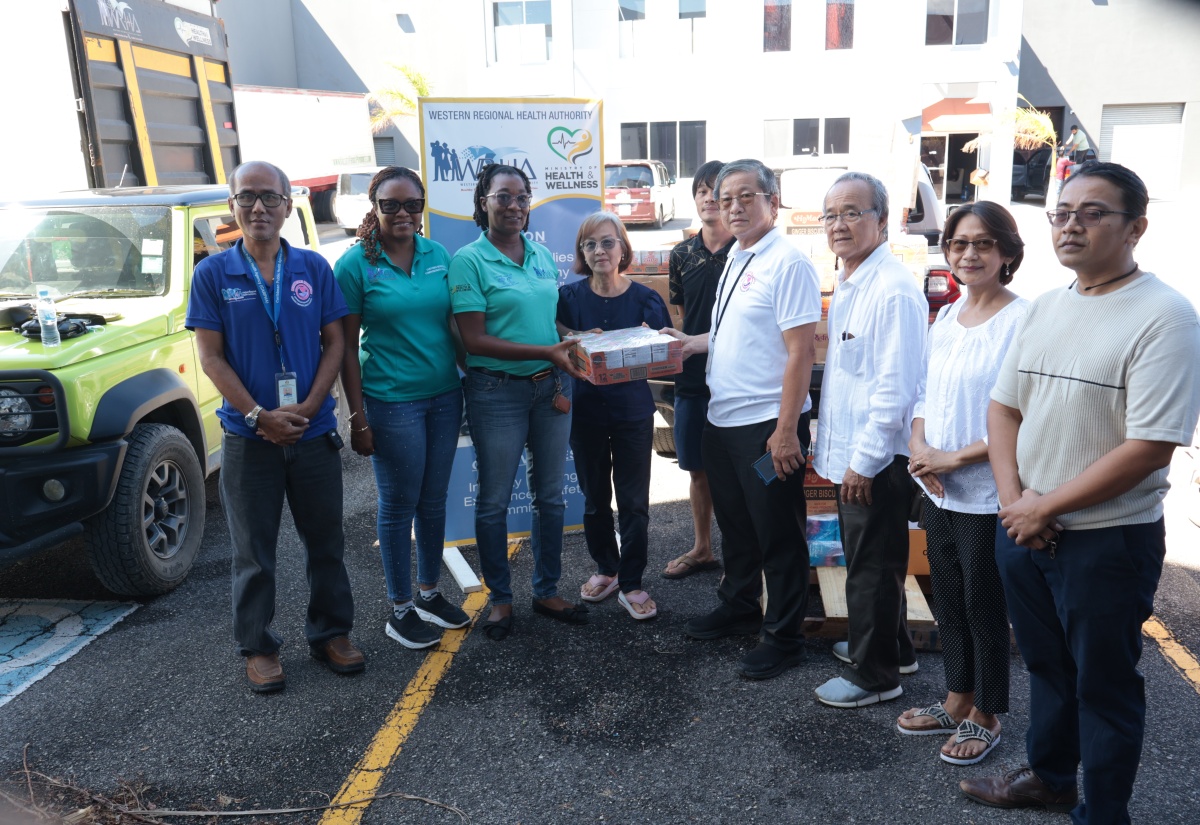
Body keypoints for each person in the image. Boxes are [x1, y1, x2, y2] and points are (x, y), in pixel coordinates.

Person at [961, 162, 1200, 822]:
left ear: (1136, 228)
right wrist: (1018, 501)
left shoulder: (1166, 317)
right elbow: (1003, 408)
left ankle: (1104, 810)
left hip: (1106, 540)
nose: (1072, 224)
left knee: (1105, 684)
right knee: (1046, 667)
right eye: (1062, 212)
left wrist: (1045, 505)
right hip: (1026, 528)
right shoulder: (1045, 306)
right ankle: (1051, 776)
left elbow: (1149, 445)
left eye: (1092, 212)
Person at [186, 160, 363, 693]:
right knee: (253, 551)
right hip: (248, 439)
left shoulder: (312, 267)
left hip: (311, 435)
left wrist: (309, 408)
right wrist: (258, 416)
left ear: (289, 205)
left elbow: (336, 342)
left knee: (326, 543)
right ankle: (258, 646)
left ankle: (331, 633)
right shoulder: (213, 274)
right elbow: (211, 359)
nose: (258, 207)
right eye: (247, 198)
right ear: (232, 207)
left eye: (269, 197)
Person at [665, 158, 822, 680]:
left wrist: (784, 431)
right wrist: (691, 343)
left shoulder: (788, 262)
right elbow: (736, 333)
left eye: (746, 196)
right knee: (736, 524)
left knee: (776, 530)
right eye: (726, 197)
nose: (733, 206)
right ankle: (739, 606)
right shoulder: (737, 256)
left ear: (773, 202)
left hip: (764, 431)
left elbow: (800, 353)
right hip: (722, 420)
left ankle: (784, 636)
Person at [897, 202, 1029, 766]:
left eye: (982, 244)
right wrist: (922, 449)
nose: (969, 254)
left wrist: (954, 458)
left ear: (1006, 254)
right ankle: (956, 696)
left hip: (982, 491)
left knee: (983, 600)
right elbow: (926, 391)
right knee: (946, 594)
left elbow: (1024, 412)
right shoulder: (948, 315)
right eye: (958, 244)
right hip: (938, 486)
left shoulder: (1023, 320)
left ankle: (987, 712)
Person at [449, 163, 588, 641]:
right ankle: (501, 600)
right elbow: (473, 341)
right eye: (503, 196)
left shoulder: (542, 255)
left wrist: (581, 339)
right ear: (483, 201)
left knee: (550, 497)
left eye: (522, 197)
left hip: (550, 388)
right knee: (494, 501)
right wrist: (548, 350)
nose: (514, 206)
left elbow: (549, 325)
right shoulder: (469, 260)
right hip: (496, 392)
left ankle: (546, 590)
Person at [334, 166, 470, 650]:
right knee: (398, 504)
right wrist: (357, 416)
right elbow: (345, 348)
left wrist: (471, 378)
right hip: (391, 402)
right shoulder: (355, 266)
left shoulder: (438, 255)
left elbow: (455, 327)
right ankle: (399, 609)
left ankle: (430, 594)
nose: (403, 214)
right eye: (390, 205)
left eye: (412, 204)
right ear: (373, 207)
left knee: (434, 501)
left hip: (443, 397)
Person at [812, 171, 927, 708]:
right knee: (877, 562)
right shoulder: (856, 280)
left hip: (875, 461)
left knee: (870, 568)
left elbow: (895, 389)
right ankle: (893, 648)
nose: (840, 224)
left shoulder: (892, 289)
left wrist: (862, 462)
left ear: (883, 221)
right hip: (856, 456)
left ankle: (875, 676)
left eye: (853, 212)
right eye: (831, 214)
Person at [556, 212, 672, 620]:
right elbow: (558, 347)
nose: (599, 251)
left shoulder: (645, 300)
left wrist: (636, 343)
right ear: (581, 253)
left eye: (608, 242)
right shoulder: (567, 298)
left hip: (632, 412)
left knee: (635, 501)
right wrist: (574, 341)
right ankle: (607, 568)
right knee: (594, 499)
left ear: (623, 248)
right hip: (585, 412)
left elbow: (664, 357)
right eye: (590, 244)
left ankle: (633, 581)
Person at [660, 160, 734, 581]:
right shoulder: (681, 254)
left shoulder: (746, 255)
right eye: (702, 191)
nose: (709, 198)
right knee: (696, 468)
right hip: (692, 379)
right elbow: (684, 317)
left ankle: (741, 556)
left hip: (737, 380)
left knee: (738, 471)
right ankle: (703, 547)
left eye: (717, 190)